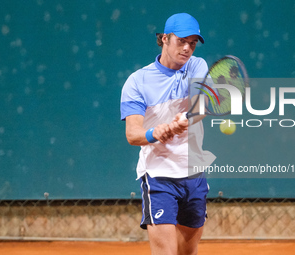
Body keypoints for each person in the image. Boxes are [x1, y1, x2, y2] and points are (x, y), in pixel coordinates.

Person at [120, 13, 215, 255]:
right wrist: (156, 132)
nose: (187, 48)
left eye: (192, 43)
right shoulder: (137, 82)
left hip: (193, 175)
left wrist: (184, 120)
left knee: (187, 252)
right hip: (159, 177)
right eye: (181, 41)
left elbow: (202, 104)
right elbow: (133, 134)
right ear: (164, 38)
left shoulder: (197, 65)